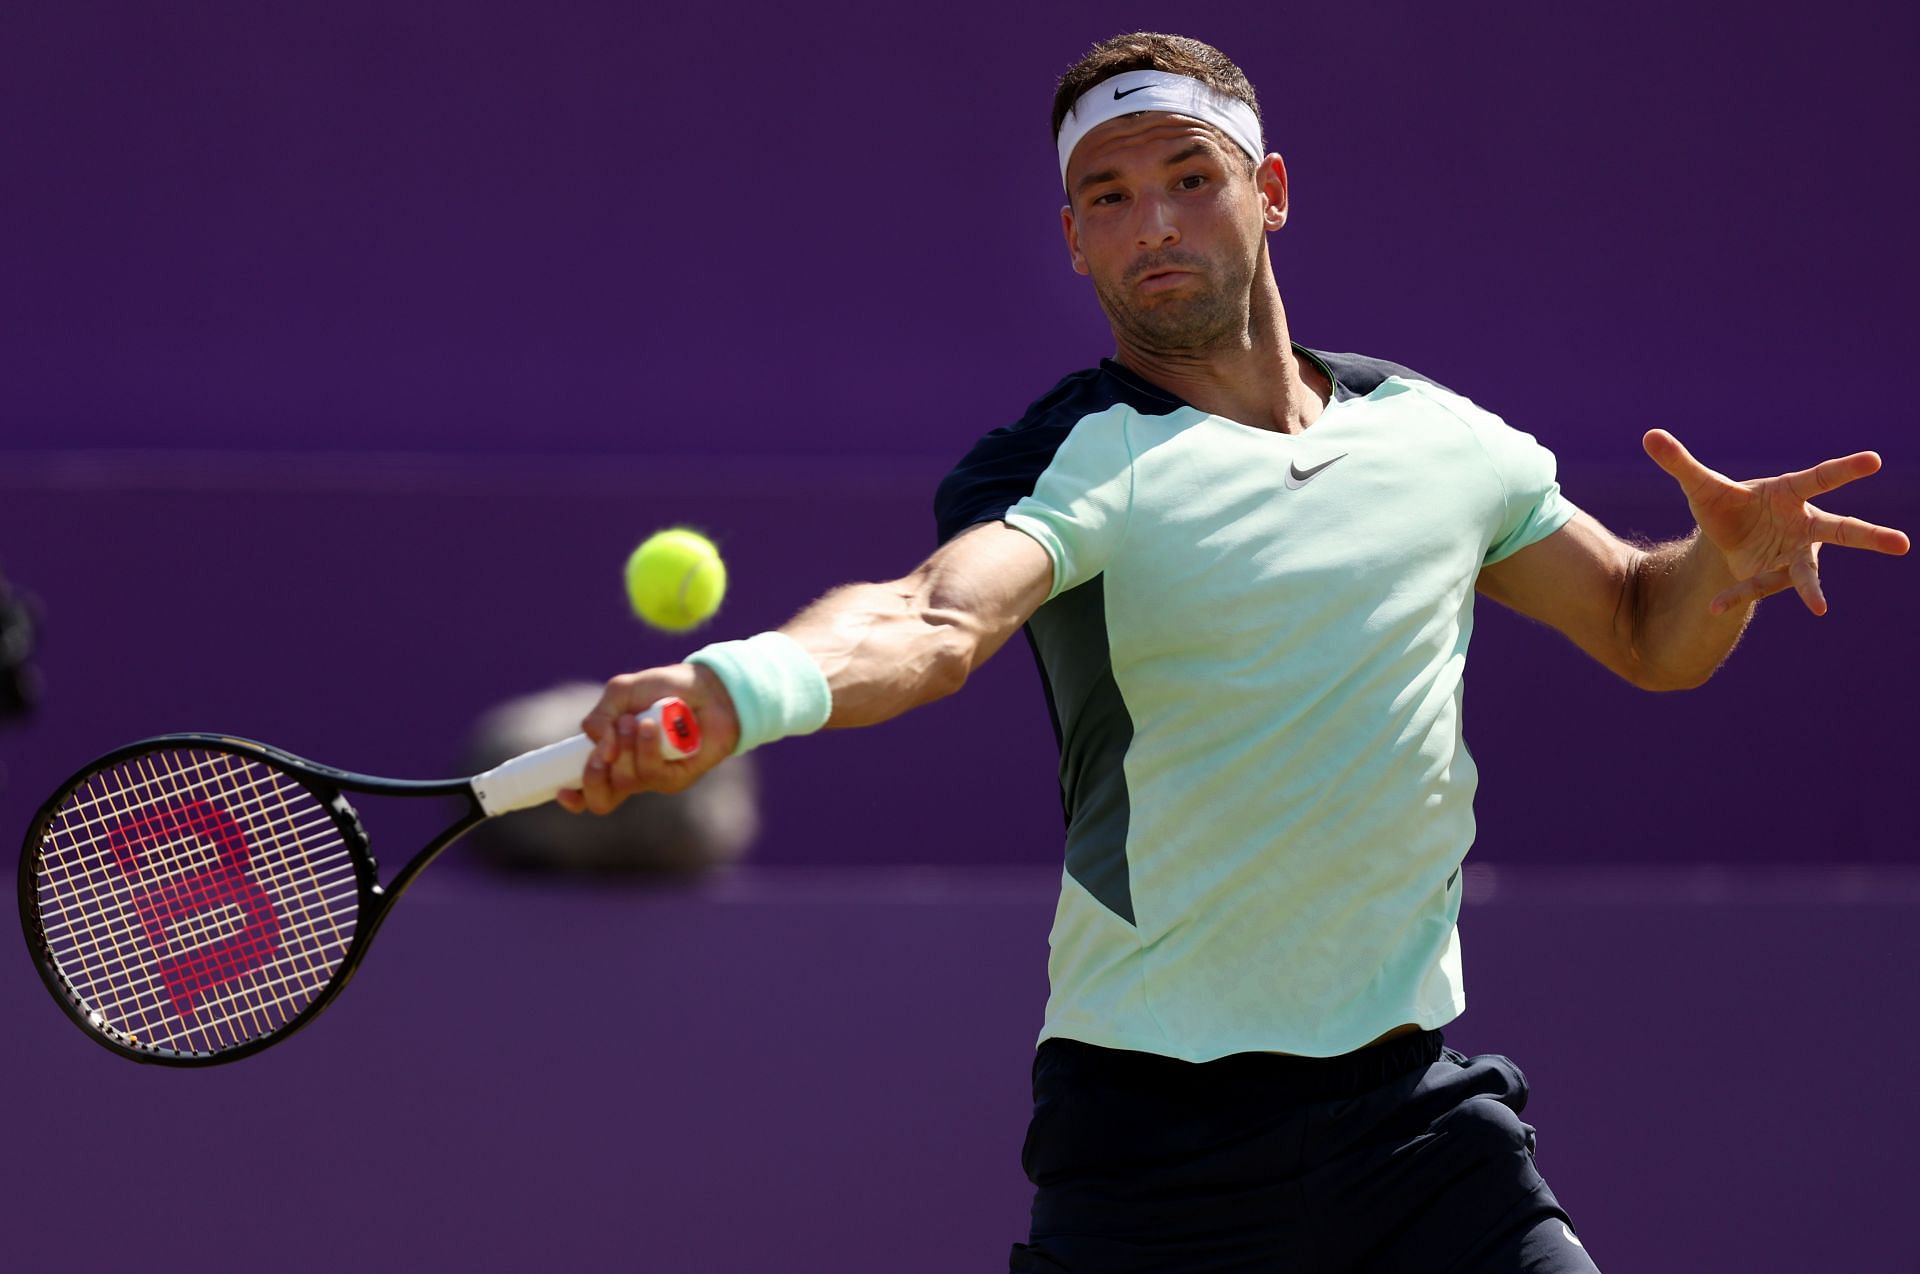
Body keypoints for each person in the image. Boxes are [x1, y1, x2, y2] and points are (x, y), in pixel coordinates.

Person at [557, 32, 1908, 1272]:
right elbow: (929, 619)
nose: (1152, 222)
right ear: (1073, 241)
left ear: (1268, 190)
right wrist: (739, 688)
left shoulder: (1438, 439)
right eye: (1107, 195)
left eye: (1189, 177)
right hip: (1151, 1153)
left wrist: (1721, 574)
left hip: (1418, 1129)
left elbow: (1635, 624)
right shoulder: (1071, 459)